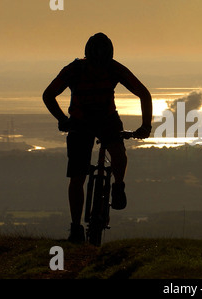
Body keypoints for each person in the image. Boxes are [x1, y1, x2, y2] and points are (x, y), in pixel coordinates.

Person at [43, 32, 152, 243]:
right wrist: (144, 126)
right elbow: (143, 94)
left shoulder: (92, 69)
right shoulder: (86, 69)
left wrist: (62, 119)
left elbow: (49, 95)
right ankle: (78, 226)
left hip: (91, 120)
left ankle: (116, 188)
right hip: (91, 121)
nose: (98, 67)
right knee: (81, 175)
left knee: (81, 175)